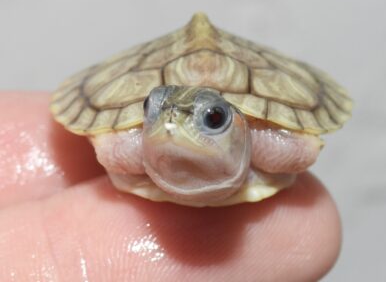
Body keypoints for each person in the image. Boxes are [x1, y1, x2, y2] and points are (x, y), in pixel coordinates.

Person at [0, 92, 341, 281]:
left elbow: (300, 150)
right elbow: (110, 149)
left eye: (213, 120)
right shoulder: (130, 153)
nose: (171, 125)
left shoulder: (268, 149)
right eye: (153, 111)